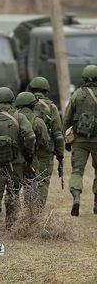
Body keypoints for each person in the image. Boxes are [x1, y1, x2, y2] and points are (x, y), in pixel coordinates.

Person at [0, 87, 35, 237]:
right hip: (15, 162)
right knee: (13, 192)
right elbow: (30, 137)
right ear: (12, 100)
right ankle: (10, 225)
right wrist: (27, 153)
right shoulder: (19, 117)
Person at [64, 65, 97, 216]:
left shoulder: (77, 94)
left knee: (77, 171)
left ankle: (76, 197)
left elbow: (67, 118)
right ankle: (96, 204)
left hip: (79, 140)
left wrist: (67, 139)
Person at [28, 76, 64, 207]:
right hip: (46, 149)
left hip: (28, 148)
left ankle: (28, 207)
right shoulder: (51, 107)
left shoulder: (25, 104)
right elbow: (58, 133)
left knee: (28, 178)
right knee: (42, 180)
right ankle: (37, 210)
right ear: (46, 90)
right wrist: (60, 153)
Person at [15, 92, 50, 207]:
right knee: (30, 182)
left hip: (15, 159)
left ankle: (13, 211)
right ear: (32, 105)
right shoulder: (38, 121)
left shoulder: (13, 119)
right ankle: (30, 210)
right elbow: (45, 142)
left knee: (14, 187)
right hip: (32, 159)